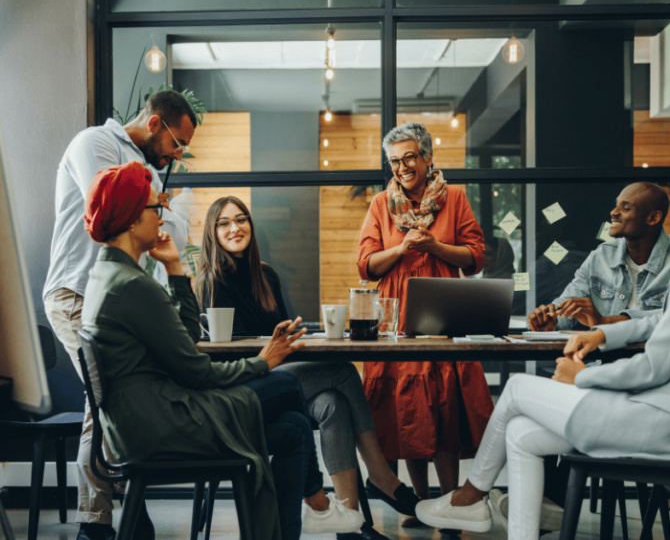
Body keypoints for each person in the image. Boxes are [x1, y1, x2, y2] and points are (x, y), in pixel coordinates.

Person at [414, 156, 670, 540]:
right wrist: (603, 335)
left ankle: (468, 500)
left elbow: (657, 365)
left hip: (666, 420)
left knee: (515, 388)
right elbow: (667, 322)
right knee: (519, 433)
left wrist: (586, 376)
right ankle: (495, 520)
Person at [80, 162, 365, 540]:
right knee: (286, 387)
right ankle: (318, 503)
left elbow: (183, 337)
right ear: (132, 219)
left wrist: (176, 269)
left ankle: (311, 513)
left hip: (142, 423)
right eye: (155, 208)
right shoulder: (132, 287)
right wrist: (263, 362)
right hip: (163, 425)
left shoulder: (108, 277)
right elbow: (197, 370)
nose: (161, 216)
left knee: (295, 429)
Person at [195, 196, 421, 540]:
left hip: (278, 377)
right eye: (224, 223)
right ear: (212, 233)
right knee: (344, 372)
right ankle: (380, 474)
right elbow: (227, 357)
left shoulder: (265, 276)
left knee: (333, 403)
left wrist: (298, 336)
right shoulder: (211, 281)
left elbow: (282, 338)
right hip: (247, 385)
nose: (234, 228)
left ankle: (350, 519)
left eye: (241, 220)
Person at [42, 90, 197, 540]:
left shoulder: (146, 166)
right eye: (177, 142)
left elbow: (169, 232)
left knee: (119, 392)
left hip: (115, 299)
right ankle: (98, 520)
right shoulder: (95, 143)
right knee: (104, 393)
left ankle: (121, 508)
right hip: (76, 293)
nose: (178, 153)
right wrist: (159, 203)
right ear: (154, 124)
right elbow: (116, 208)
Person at [356, 121, 494, 524]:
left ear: (428, 158)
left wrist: (434, 246)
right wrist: (401, 248)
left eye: (409, 158)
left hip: (444, 308)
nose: (401, 168)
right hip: (395, 316)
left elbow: (475, 256)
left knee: (445, 403)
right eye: (394, 162)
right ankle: (418, 504)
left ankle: (450, 501)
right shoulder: (382, 204)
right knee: (406, 407)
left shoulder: (454, 197)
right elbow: (365, 266)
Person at [528, 182, 670, 332]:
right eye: (616, 205)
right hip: (602, 361)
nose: (613, 212)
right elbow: (567, 304)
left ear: (653, 218)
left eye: (625, 208)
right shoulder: (601, 255)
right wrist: (551, 319)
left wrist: (605, 321)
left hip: (654, 360)